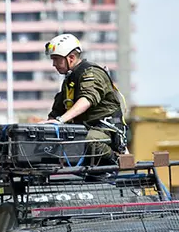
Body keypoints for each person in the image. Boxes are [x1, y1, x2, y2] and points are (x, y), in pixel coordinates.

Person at [39, 33, 128, 166]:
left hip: (105, 132)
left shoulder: (91, 73)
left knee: (85, 140)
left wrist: (60, 121)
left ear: (71, 58)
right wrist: (44, 128)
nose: (54, 64)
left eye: (57, 59)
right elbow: (58, 110)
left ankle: (116, 159)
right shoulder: (70, 80)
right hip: (84, 129)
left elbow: (87, 99)